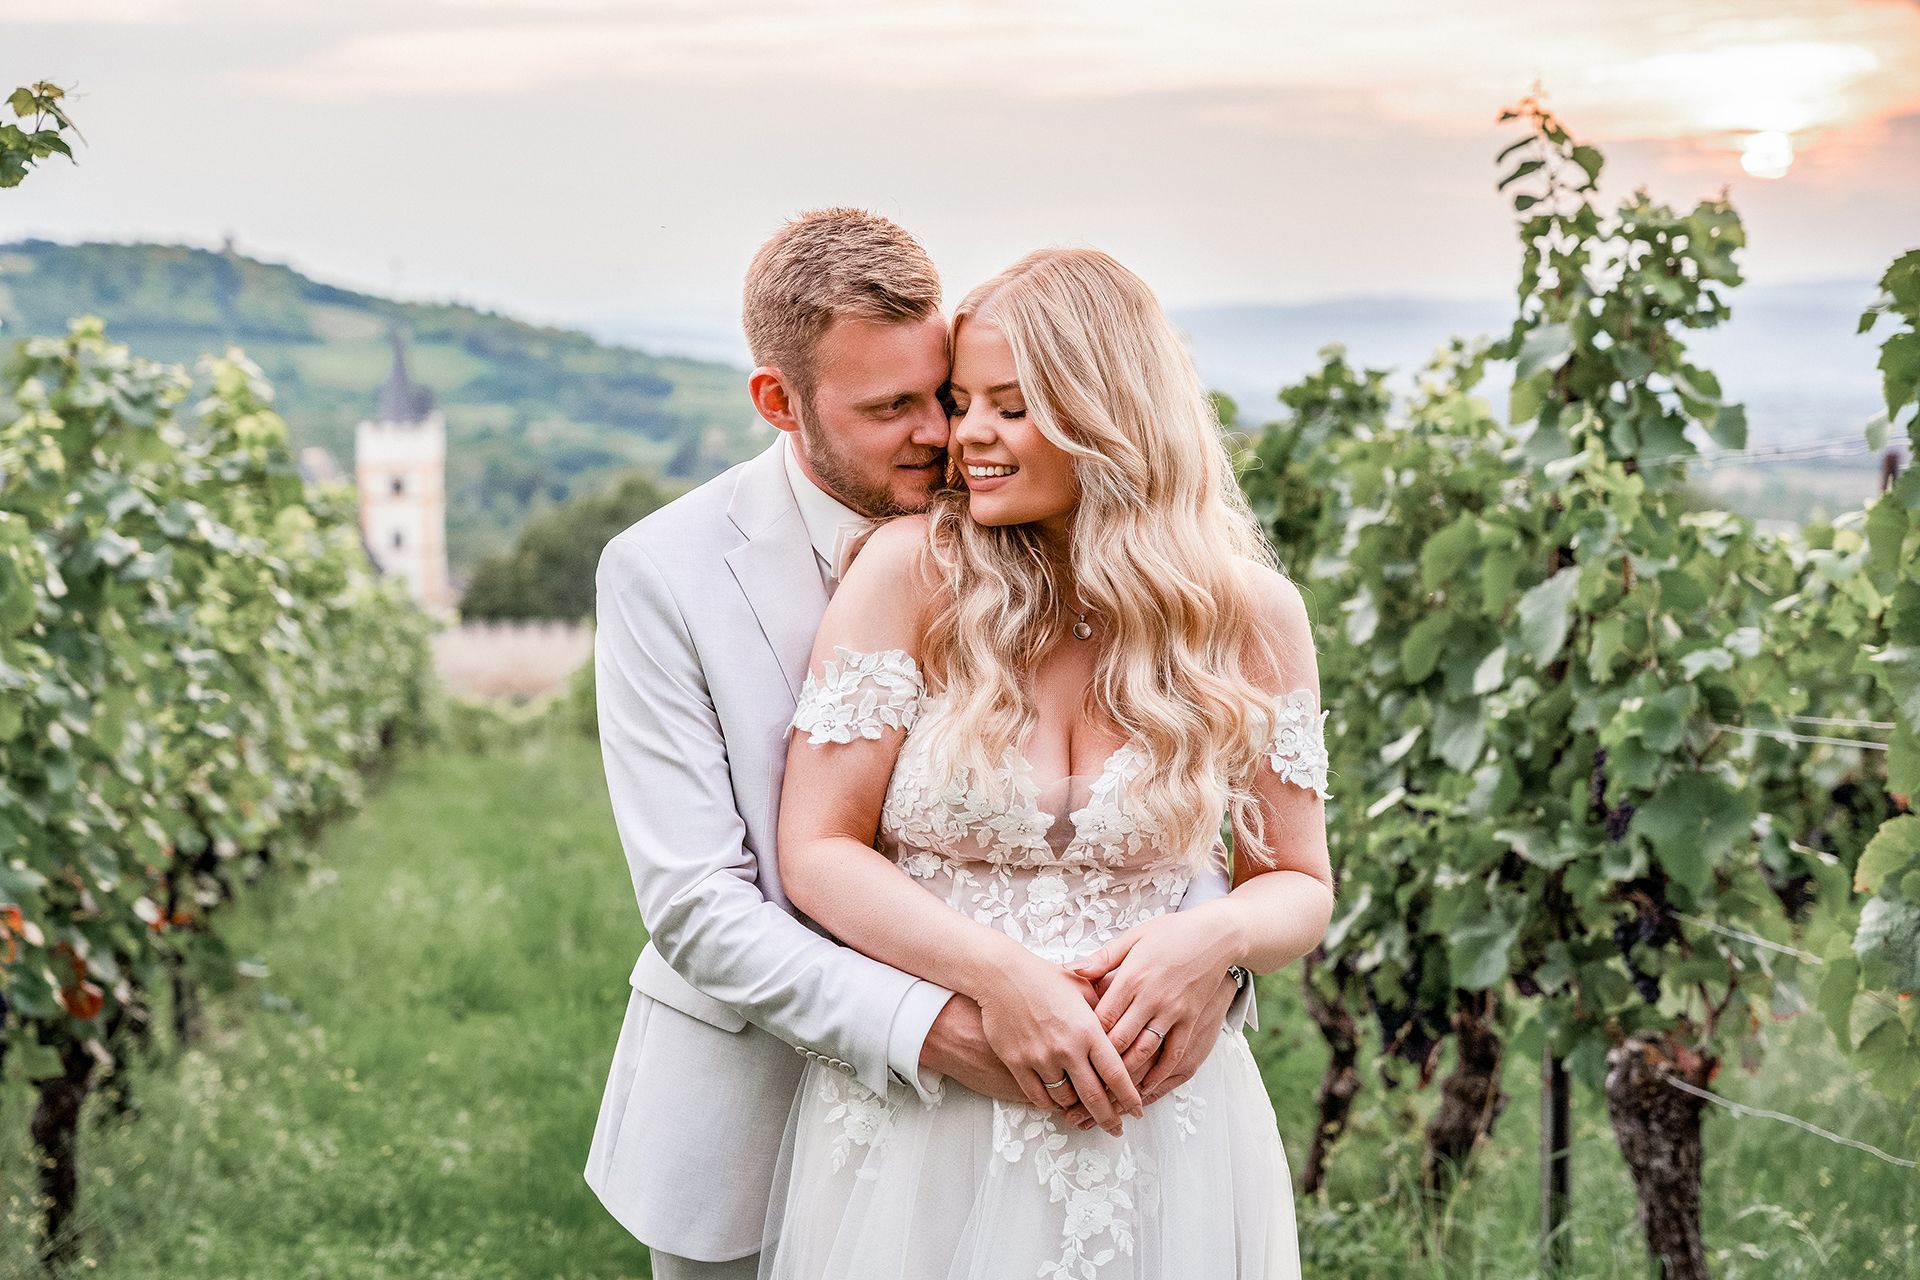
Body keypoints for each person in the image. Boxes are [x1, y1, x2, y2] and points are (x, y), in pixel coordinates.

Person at [583, 212, 1259, 1280]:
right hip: (759, 1107)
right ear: (779, 401)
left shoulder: (1019, 513)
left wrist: (1207, 964)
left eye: (941, 392)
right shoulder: (662, 572)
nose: (942, 436)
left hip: (1078, 1100)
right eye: (890, 408)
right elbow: (698, 903)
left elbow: (1136, 789)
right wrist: (947, 1026)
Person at [757, 247, 1335, 1279]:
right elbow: (818, 847)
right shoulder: (910, 573)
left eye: (1010, 407)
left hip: (1165, 1129)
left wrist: (1216, 938)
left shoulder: (1249, 617)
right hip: (934, 1121)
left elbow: (1299, 882)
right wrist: (998, 977)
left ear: (1107, 416)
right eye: (962, 400)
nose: (963, 436)